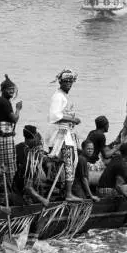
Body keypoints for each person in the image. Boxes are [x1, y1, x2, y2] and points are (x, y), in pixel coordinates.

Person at [48, 69, 82, 201]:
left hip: (66, 133)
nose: (69, 84)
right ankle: (68, 194)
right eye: (66, 81)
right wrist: (73, 120)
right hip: (61, 135)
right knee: (69, 163)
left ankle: (64, 192)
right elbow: (54, 116)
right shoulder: (58, 96)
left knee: (70, 163)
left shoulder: (63, 96)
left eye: (71, 81)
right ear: (61, 82)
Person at [0, 75, 22, 191]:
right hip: (3, 138)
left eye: (13, 89)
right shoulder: (4, 102)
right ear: (3, 90)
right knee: (9, 163)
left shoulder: (1, 100)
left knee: (1, 162)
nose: (12, 92)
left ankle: (3, 185)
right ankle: (9, 187)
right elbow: (14, 119)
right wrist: (18, 109)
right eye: (9, 89)